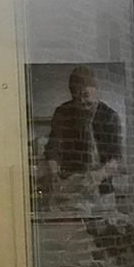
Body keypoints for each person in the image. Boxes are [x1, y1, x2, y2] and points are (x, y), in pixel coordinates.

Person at [43, 65, 122, 207]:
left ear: (96, 90)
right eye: (76, 97)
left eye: (86, 95)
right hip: (71, 187)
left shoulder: (110, 116)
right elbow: (53, 147)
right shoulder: (62, 113)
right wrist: (53, 172)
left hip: (102, 189)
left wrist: (99, 175)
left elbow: (116, 157)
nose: (81, 102)